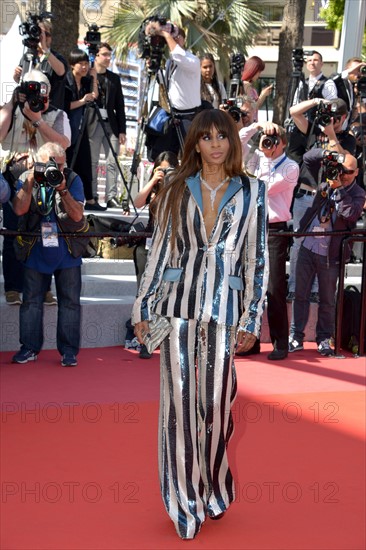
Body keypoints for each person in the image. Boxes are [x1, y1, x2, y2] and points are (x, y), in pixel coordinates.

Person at [132, 110, 268, 539]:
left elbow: (256, 259)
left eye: (221, 136)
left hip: (225, 312)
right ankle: (184, 504)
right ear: (195, 143)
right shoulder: (174, 188)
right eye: (206, 137)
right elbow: (160, 253)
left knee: (215, 407)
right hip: (176, 309)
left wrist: (252, 316)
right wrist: (143, 309)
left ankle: (213, 484)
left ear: (231, 142)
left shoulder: (252, 191)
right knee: (178, 408)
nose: (215, 144)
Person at [11, 142, 85, 366]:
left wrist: (62, 188)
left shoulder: (72, 179)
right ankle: (29, 348)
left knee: (70, 302)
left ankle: (69, 352)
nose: (56, 170)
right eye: (51, 166)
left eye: (60, 166)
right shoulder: (27, 177)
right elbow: (19, 209)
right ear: (37, 163)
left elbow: (77, 216)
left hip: (67, 248)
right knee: (31, 301)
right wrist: (32, 179)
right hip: (35, 247)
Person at [1, 70, 70, 307]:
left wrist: (38, 119)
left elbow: (63, 143)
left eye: (41, 92)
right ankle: (12, 287)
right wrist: (12, 103)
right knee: (13, 232)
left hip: (47, 180)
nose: (37, 97)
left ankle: (45, 287)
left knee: (48, 235)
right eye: (30, 91)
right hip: (16, 179)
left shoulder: (57, 114)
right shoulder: (12, 112)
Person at [289, 150, 365, 356]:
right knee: (300, 295)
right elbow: (307, 158)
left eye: (348, 171)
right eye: (340, 170)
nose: (342, 174)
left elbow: (349, 213)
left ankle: (323, 339)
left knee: (327, 300)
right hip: (308, 246)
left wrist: (339, 189)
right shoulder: (325, 184)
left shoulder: (358, 193)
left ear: (357, 172)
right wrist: (328, 154)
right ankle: (296, 337)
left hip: (330, 254)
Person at [287, 97, 356, 303]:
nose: (331, 121)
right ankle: (295, 287)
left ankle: (316, 290)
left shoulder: (347, 138)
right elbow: (294, 112)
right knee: (300, 243)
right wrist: (317, 102)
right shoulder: (313, 130)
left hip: (329, 197)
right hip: (306, 194)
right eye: (329, 117)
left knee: (322, 245)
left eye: (336, 118)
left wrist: (332, 135)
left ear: (343, 117)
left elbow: (346, 161)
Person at [239, 121, 299, 360]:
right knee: (249, 288)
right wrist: (257, 126)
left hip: (275, 230)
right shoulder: (257, 157)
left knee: (274, 288)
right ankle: (249, 342)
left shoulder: (291, 167)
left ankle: (280, 343)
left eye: (273, 141)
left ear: (283, 143)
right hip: (252, 227)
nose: (268, 144)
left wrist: (265, 158)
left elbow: (263, 188)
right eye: (266, 140)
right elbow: (238, 142)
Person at [133, 151, 179, 359]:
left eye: (169, 169)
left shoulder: (180, 190)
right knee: (145, 292)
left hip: (172, 249)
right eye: (161, 169)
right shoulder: (154, 191)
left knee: (166, 295)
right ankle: (146, 339)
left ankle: (164, 337)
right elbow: (137, 202)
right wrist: (154, 180)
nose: (165, 173)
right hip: (149, 245)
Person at [143, 22, 201, 160]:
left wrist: (164, 33)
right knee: (165, 157)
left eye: (177, 36)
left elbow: (179, 55)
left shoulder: (192, 60)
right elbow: (165, 84)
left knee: (191, 159)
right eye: (171, 37)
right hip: (173, 115)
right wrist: (154, 68)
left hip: (189, 118)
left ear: (184, 39)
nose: (174, 39)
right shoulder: (170, 62)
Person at [64, 48, 105, 211]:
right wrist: (82, 101)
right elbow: (65, 106)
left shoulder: (87, 81)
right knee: (69, 162)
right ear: (72, 65)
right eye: (80, 64)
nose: (84, 67)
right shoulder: (66, 82)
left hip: (81, 128)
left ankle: (90, 199)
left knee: (86, 163)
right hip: (67, 127)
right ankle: (67, 198)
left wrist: (94, 78)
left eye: (86, 63)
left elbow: (94, 95)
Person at [88, 42, 127, 208]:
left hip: (111, 125)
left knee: (112, 161)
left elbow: (120, 106)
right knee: (93, 162)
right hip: (93, 123)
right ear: (96, 55)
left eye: (109, 55)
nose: (108, 58)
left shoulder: (114, 79)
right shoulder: (88, 75)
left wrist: (122, 130)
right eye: (104, 54)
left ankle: (111, 197)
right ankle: (93, 196)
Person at [13, 19, 67, 110]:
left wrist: (45, 49)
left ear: (51, 38)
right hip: (27, 110)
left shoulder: (57, 58)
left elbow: (61, 72)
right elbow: (21, 81)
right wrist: (16, 77)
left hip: (49, 113)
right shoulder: (27, 56)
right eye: (40, 34)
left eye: (47, 34)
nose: (43, 37)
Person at [241, 56, 273, 122]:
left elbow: (256, 106)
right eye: (259, 72)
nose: (259, 75)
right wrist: (263, 95)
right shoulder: (246, 85)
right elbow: (252, 107)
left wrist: (263, 95)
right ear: (253, 70)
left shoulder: (250, 87)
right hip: (248, 124)